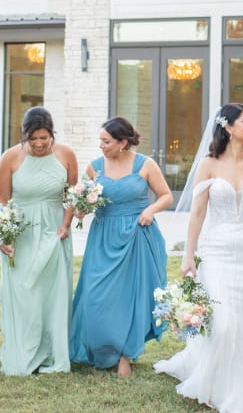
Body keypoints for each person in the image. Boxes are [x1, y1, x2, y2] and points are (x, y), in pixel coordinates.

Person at [155, 103, 243, 412]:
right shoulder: (208, 164)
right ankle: (219, 383)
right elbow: (197, 214)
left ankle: (240, 385)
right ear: (228, 127)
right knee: (223, 323)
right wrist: (188, 257)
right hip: (217, 252)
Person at [71, 116, 173, 377]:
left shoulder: (145, 164)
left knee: (130, 297)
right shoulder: (94, 167)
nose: (101, 146)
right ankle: (101, 348)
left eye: (106, 141)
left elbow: (166, 196)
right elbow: (83, 200)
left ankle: (125, 355)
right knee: (96, 295)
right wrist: (82, 209)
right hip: (104, 237)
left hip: (137, 235)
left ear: (123, 142)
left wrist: (150, 210)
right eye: (100, 141)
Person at [0, 106, 78, 375]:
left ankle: (54, 354)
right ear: (24, 136)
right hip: (21, 233)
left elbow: (72, 195)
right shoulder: (10, 158)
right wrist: (6, 236)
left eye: (45, 138)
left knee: (53, 295)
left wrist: (66, 225)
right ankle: (24, 351)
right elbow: (2, 201)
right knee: (24, 294)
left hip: (55, 230)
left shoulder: (66, 155)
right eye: (34, 139)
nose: (40, 143)